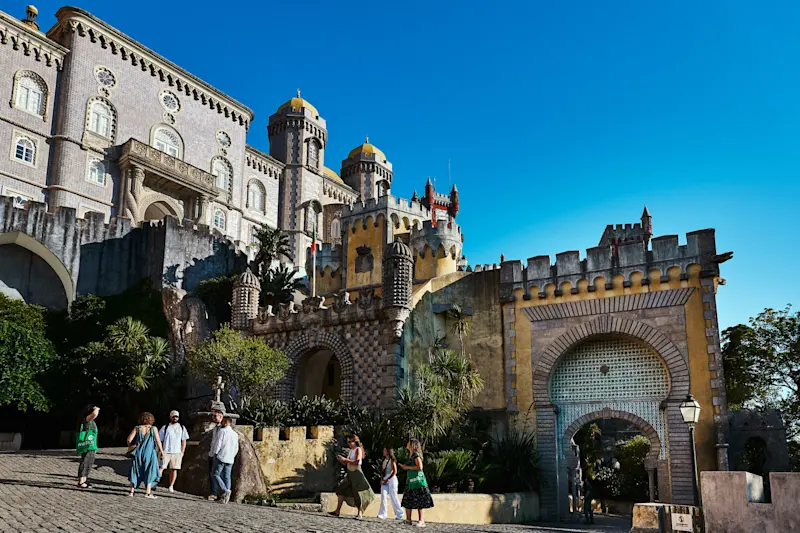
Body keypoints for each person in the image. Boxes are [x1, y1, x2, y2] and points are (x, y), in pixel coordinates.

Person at [329, 435, 375, 519]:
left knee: (358, 493)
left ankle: (360, 513)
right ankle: (337, 510)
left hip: (356, 473)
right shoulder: (351, 451)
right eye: (348, 442)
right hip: (350, 473)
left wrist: (345, 460)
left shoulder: (358, 449)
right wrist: (341, 460)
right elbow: (348, 462)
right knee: (341, 489)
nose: (349, 444)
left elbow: (356, 461)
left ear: (355, 442)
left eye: (350, 442)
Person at [126, 412, 164, 498]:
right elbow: (158, 441)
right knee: (150, 470)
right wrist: (162, 451)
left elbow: (129, 439)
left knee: (135, 471)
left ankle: (131, 492)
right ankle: (148, 492)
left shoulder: (137, 428)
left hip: (138, 453)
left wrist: (131, 446)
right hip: (150, 453)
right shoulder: (153, 429)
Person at [399, 438, 434, 528]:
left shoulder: (415, 455)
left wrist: (407, 467)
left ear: (412, 445)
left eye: (408, 442)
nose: (407, 443)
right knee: (407, 500)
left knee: (419, 501)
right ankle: (408, 520)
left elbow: (420, 467)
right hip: (411, 482)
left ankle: (421, 520)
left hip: (417, 482)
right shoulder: (411, 455)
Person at [211, 415, 239, 504]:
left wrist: (215, 453)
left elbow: (218, 443)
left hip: (221, 456)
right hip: (230, 458)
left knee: (215, 474)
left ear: (226, 423)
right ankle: (226, 497)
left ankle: (224, 490)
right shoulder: (235, 434)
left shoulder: (222, 431)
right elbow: (236, 447)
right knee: (227, 476)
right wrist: (232, 455)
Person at [158, 410, 189, 493]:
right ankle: (155, 482)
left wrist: (182, 452)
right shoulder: (165, 427)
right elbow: (159, 439)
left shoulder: (182, 427)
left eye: (176, 417)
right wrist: (160, 450)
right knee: (161, 468)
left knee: (174, 469)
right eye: (173, 416)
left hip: (177, 452)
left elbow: (184, 441)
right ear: (170, 417)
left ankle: (171, 486)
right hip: (166, 451)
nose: (175, 418)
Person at [76, 405, 100, 489]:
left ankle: (84, 479)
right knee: (85, 461)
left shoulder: (90, 421)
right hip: (88, 444)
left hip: (91, 445)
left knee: (89, 462)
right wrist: (96, 408)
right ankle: (81, 481)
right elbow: (95, 414)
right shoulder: (86, 419)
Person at [377, 447, 404, 521]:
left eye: (385, 450)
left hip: (392, 479)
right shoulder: (384, 461)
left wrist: (388, 479)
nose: (383, 452)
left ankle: (400, 513)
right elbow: (382, 472)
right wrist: (382, 479)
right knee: (383, 495)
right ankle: (383, 514)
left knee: (393, 496)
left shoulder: (392, 460)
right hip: (385, 478)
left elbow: (395, 471)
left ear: (388, 452)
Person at [207, 407, 224, 501]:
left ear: (221, 417)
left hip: (218, 455)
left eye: (215, 416)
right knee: (211, 474)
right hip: (212, 453)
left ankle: (216, 493)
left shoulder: (223, 429)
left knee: (217, 475)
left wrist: (216, 454)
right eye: (213, 416)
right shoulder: (215, 428)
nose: (213, 417)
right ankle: (213, 492)